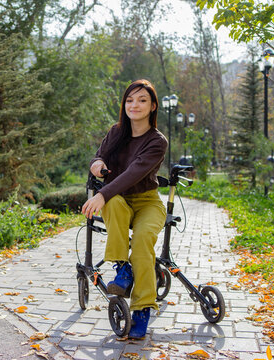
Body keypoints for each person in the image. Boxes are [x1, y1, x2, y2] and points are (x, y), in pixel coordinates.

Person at [81, 79, 168, 340]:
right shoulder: (116, 132)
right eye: (130, 100)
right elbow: (98, 157)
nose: (135, 105)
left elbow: (134, 173)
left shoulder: (157, 141)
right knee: (114, 201)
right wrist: (97, 165)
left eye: (142, 100)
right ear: (124, 104)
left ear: (153, 106)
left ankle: (142, 308)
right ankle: (123, 267)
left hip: (147, 203)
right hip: (118, 200)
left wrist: (102, 193)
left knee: (142, 242)